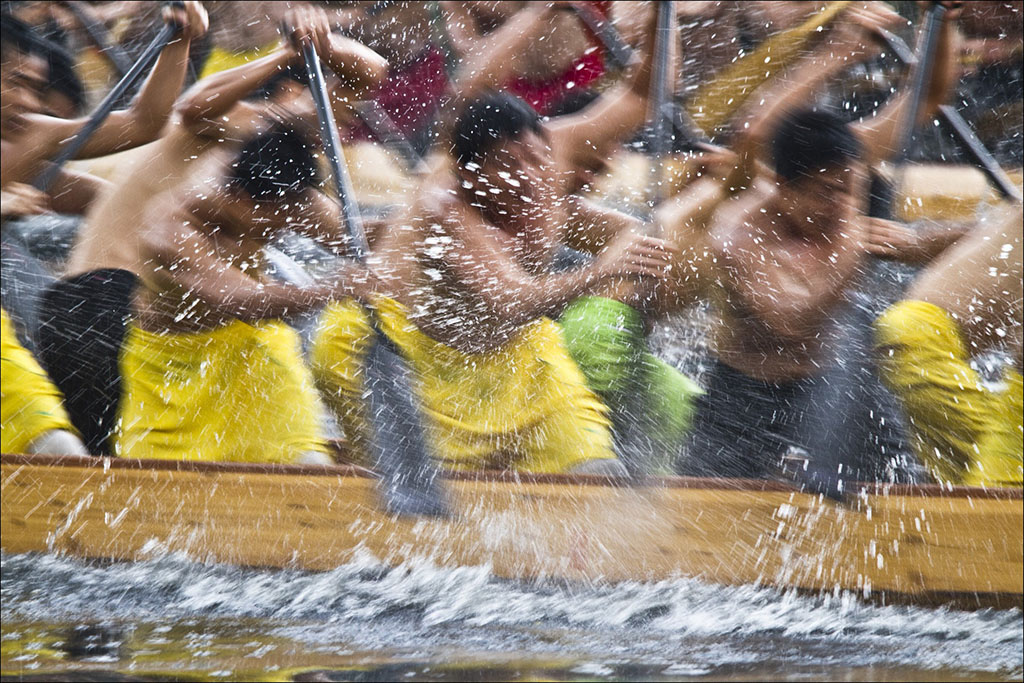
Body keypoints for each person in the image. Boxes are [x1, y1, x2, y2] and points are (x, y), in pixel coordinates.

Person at [36, 9, 387, 459]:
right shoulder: (240, 122)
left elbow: (373, 71)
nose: (342, 133)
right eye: (337, 115)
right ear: (289, 93)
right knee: (101, 477)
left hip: (188, 327)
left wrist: (325, 42)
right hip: (105, 299)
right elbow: (192, 106)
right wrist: (285, 51)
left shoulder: (283, 177)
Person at [312, 92, 676, 474]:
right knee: (448, 504)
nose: (528, 178)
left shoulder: (550, 192)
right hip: (418, 366)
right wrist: (602, 271)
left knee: (597, 474)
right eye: (507, 165)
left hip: (521, 361)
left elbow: (642, 92)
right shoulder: (447, 210)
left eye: (537, 161)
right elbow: (511, 300)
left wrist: (638, 276)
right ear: (470, 175)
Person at [874, 204, 1022, 487]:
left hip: (906, 331)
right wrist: (916, 241)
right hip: (923, 344)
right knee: (992, 508)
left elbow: (988, 232)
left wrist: (918, 241)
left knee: (957, 499)